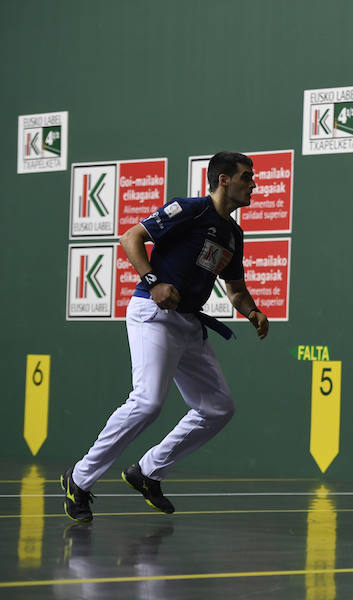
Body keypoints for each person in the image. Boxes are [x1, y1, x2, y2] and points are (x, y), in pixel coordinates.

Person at [61, 151, 270, 522]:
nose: (252, 184)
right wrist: (153, 282)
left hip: (189, 324)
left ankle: (148, 471)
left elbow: (235, 290)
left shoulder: (233, 235)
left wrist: (251, 311)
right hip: (153, 315)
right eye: (246, 177)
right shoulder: (189, 210)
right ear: (224, 180)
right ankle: (79, 479)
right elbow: (131, 238)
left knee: (219, 408)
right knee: (147, 402)